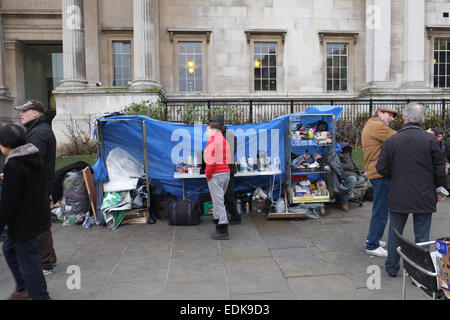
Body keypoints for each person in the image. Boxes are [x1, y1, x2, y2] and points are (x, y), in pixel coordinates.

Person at [376, 103, 448, 278]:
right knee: (422, 236)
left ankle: (392, 267)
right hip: (424, 194)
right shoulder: (430, 140)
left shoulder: (392, 140)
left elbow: (382, 168)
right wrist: (441, 190)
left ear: (404, 118)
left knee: (395, 233)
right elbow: (440, 168)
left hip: (399, 192)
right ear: (422, 120)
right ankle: (418, 273)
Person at [0, 124, 52, 300]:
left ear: (7, 145)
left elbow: (8, 202)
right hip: (36, 216)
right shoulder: (32, 154)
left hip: (23, 223)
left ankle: (40, 296)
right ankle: (23, 288)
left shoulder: (14, 164)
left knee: (29, 263)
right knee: (9, 249)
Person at [15, 100, 57, 275]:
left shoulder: (38, 134)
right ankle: (50, 259)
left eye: (24, 111)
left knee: (39, 226)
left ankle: (46, 264)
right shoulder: (39, 130)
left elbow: (32, 161)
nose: (20, 114)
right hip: (42, 184)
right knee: (42, 224)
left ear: (35, 114)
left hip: (37, 186)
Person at [361, 106, 397, 257]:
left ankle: (373, 238)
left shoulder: (372, 124)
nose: (392, 118)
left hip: (376, 172)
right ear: (380, 113)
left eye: (394, 116)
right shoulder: (378, 126)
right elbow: (400, 139)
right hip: (380, 174)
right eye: (390, 115)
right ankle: (372, 245)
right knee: (381, 211)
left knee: (379, 209)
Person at [210, 114, 241, 224]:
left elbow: (230, 154)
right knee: (219, 196)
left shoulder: (230, 136)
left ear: (222, 126)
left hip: (227, 169)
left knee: (228, 195)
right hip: (219, 170)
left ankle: (235, 216)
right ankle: (219, 217)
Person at [204, 121, 232, 240]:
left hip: (216, 175)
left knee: (218, 201)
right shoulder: (224, 141)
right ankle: (217, 221)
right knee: (219, 200)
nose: (206, 132)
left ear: (214, 131)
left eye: (207, 130)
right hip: (226, 173)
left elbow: (210, 162)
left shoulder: (212, 142)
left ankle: (223, 229)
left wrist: (207, 174)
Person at [337, 142, 366, 211]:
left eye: (348, 151)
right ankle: (344, 202)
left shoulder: (350, 156)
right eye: (345, 151)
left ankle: (347, 191)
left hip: (353, 174)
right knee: (353, 180)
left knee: (362, 178)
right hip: (344, 175)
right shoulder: (338, 157)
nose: (347, 153)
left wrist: (359, 173)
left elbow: (355, 166)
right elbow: (341, 168)